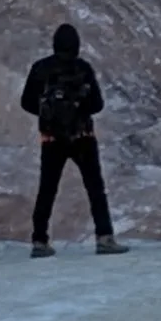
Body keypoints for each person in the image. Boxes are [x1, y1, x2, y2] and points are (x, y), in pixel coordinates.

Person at [21, 22, 126, 256]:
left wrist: (48, 115)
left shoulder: (41, 69)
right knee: (95, 188)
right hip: (83, 136)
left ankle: (39, 241)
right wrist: (78, 110)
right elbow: (97, 104)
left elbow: (26, 102)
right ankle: (105, 237)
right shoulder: (83, 69)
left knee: (47, 189)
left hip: (51, 139)